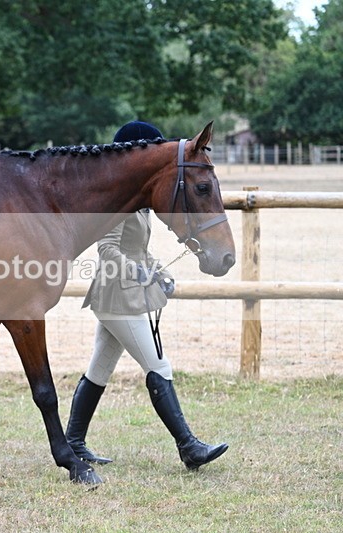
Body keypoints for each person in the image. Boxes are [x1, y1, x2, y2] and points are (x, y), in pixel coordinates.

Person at [65, 121, 228, 470]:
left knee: (100, 368)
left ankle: (73, 442)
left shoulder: (138, 202)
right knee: (158, 365)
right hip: (116, 295)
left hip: (125, 295)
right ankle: (189, 447)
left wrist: (159, 271)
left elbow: (138, 250)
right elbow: (107, 250)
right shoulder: (116, 202)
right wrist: (136, 272)